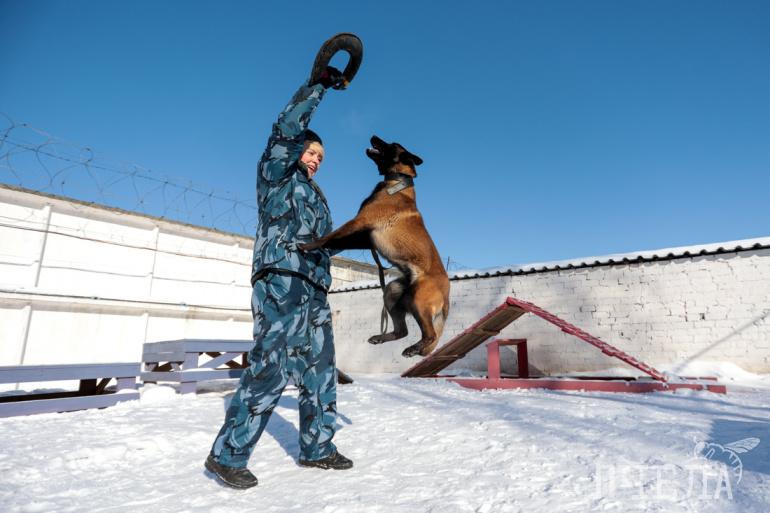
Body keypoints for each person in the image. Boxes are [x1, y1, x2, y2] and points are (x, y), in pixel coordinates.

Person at [205, 67, 352, 489]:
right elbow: (287, 129)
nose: (316, 160)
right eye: (312, 152)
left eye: (321, 158)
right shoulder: (276, 175)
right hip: (281, 282)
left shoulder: (317, 196)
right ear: (295, 150)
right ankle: (226, 455)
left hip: (314, 289)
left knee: (320, 371)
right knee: (271, 365)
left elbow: (321, 243)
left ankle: (317, 447)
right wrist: (317, 87)